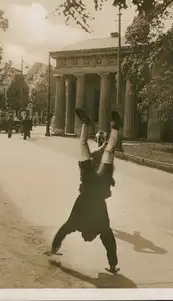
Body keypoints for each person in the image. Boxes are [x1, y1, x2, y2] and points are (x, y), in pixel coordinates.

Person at [45, 109, 121, 274]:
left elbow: (110, 242)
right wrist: (53, 249)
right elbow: (63, 231)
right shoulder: (80, 223)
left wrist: (114, 264)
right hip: (90, 183)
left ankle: (114, 128)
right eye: (87, 238)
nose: (86, 239)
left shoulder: (100, 225)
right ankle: (87, 123)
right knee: (85, 146)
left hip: (98, 184)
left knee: (108, 151)